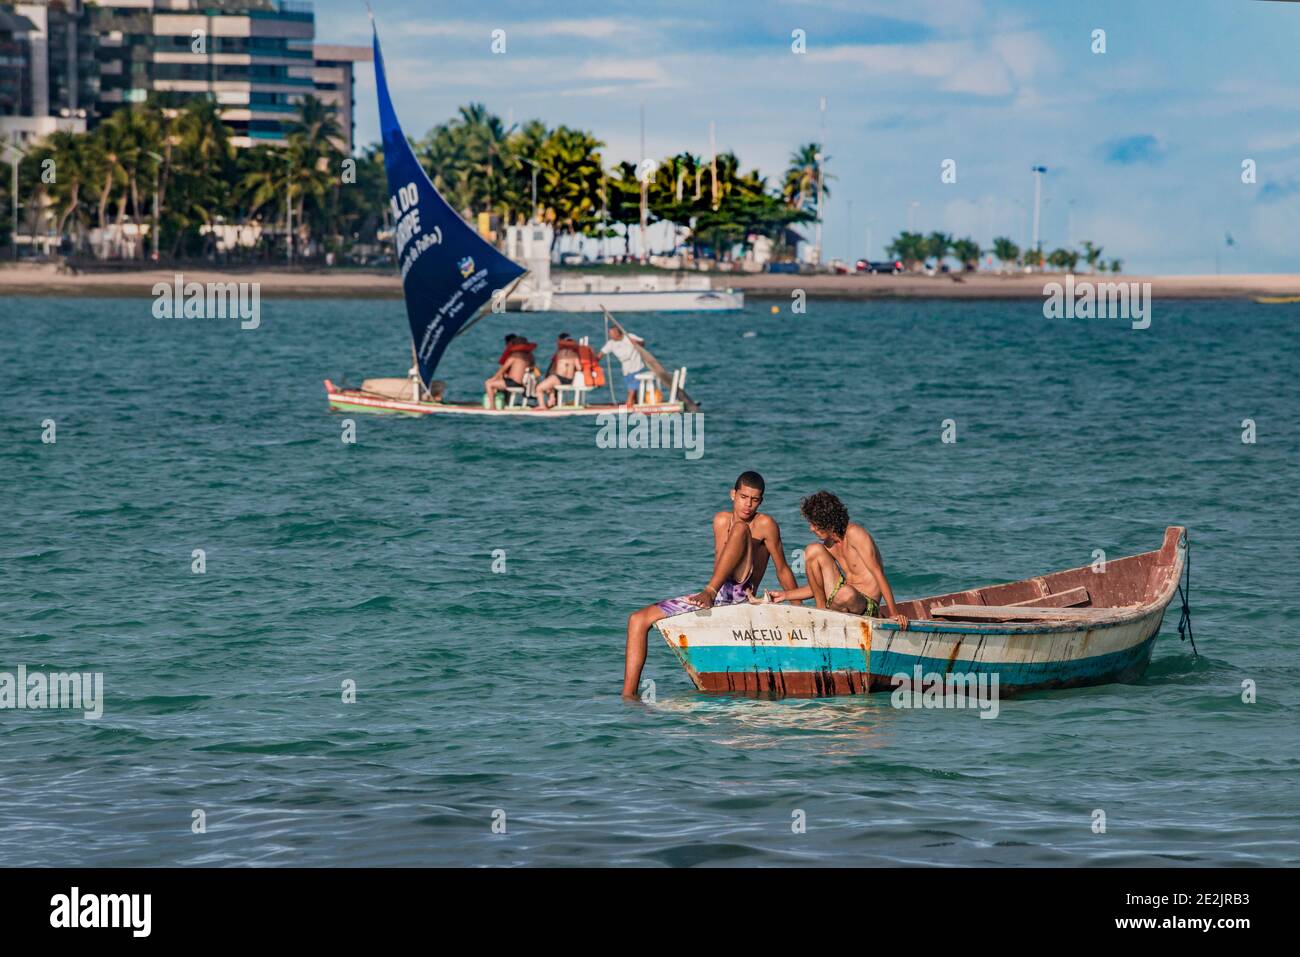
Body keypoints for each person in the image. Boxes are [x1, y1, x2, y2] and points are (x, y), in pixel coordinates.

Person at [621, 471, 802, 698]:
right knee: (638, 619)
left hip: (740, 592)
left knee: (740, 529)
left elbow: (783, 568)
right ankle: (628, 697)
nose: (748, 504)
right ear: (733, 495)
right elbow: (720, 563)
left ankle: (709, 591)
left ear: (761, 501)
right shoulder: (720, 520)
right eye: (744, 497)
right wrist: (711, 598)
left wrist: (797, 609)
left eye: (754, 500)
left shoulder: (765, 524)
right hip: (716, 594)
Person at [758, 490, 909, 630]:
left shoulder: (855, 534)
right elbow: (818, 587)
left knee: (846, 593)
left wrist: (894, 614)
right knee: (812, 550)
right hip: (842, 599)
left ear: (827, 522)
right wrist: (785, 595)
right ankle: (821, 612)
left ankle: (832, 615)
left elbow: (878, 574)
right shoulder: (829, 546)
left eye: (814, 524)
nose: (811, 528)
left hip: (866, 606)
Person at [599, 325, 647, 407]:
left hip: (636, 365)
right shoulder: (611, 343)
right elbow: (601, 353)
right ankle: (635, 403)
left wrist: (637, 343)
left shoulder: (629, 336)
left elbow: (643, 342)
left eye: (611, 333)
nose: (610, 335)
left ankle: (628, 403)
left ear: (617, 333)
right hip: (625, 368)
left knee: (632, 388)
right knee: (631, 387)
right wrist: (594, 361)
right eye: (609, 333)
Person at [484, 334, 535, 407]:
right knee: (498, 382)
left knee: (488, 383)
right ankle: (505, 402)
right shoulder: (529, 356)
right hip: (525, 383)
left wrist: (494, 378)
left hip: (514, 382)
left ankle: (492, 406)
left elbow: (503, 369)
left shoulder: (514, 356)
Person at [534, 332, 581, 409]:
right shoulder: (575, 355)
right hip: (569, 380)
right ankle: (552, 399)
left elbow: (553, 368)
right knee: (551, 380)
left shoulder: (559, 353)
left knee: (539, 388)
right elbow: (579, 368)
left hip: (559, 378)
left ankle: (542, 406)